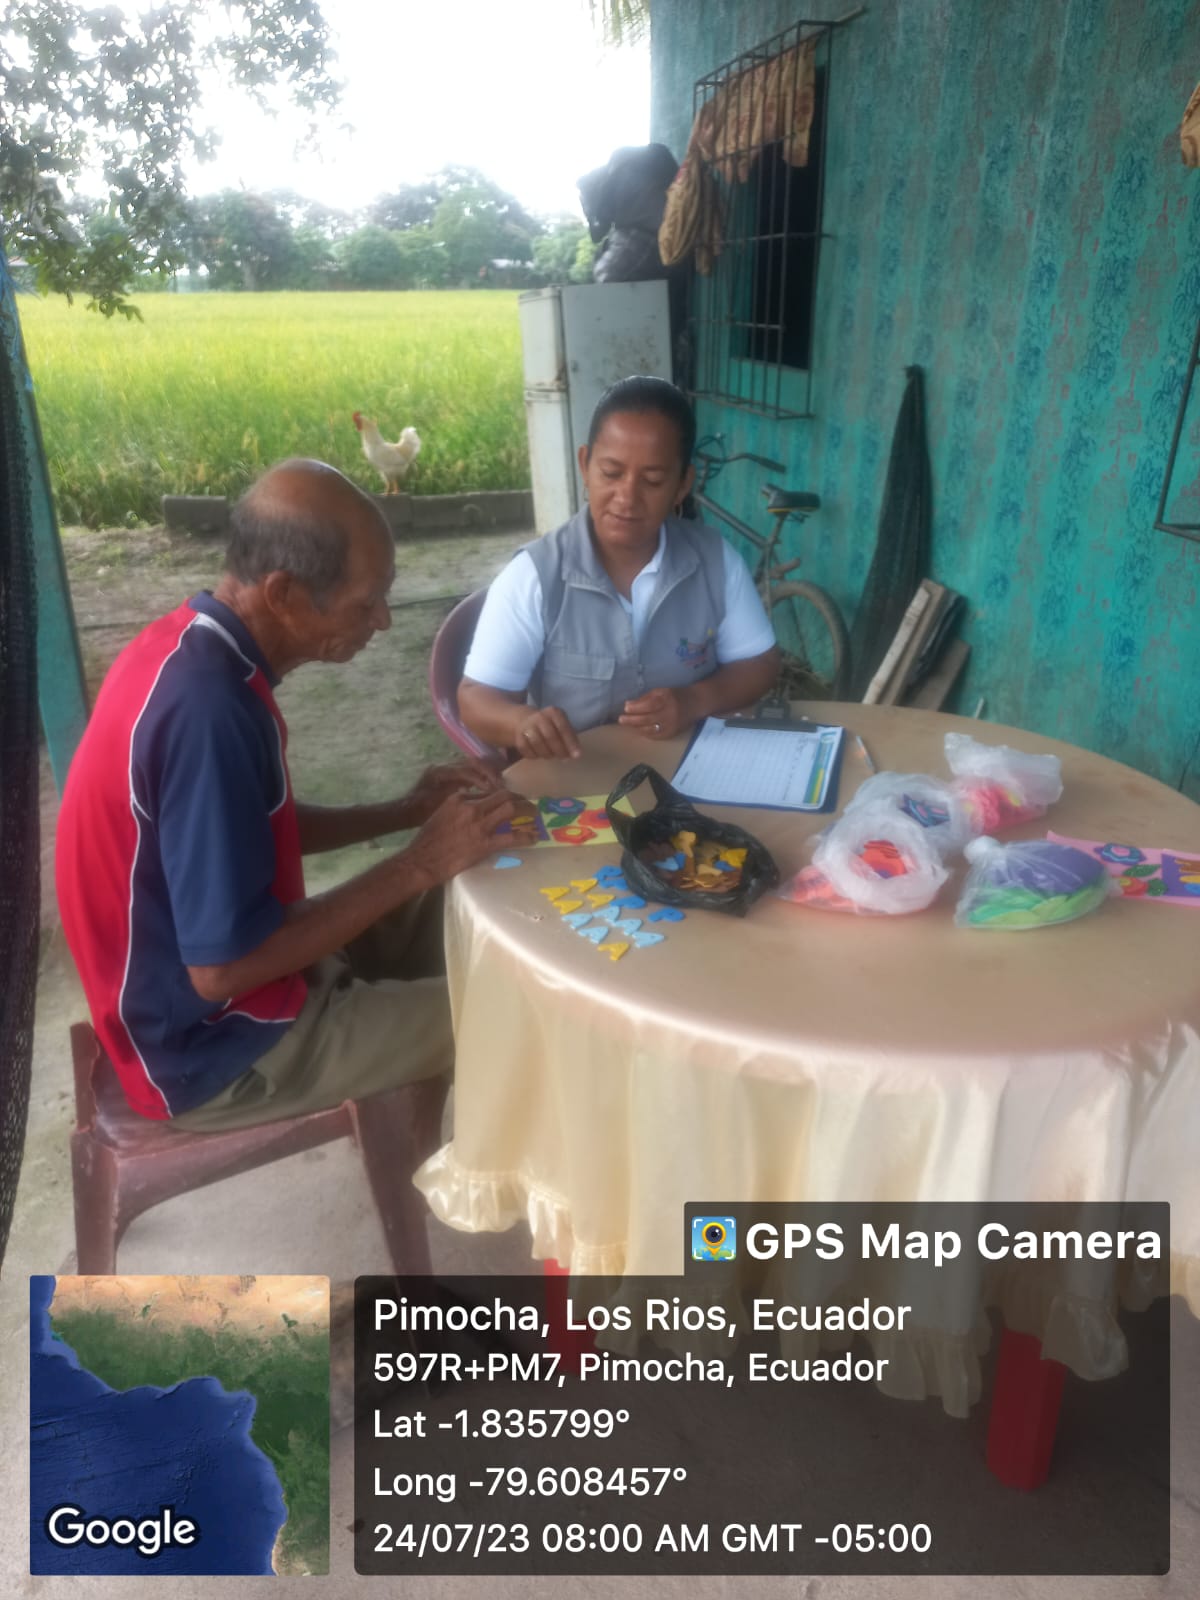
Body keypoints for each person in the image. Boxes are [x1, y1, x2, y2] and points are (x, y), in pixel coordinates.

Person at [55, 459, 515, 1129]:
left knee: (458, 894)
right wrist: (420, 859)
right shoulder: (209, 711)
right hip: (216, 1048)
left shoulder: (191, 649)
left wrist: (404, 812)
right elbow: (221, 971)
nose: (384, 620)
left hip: (250, 984)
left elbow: (238, 827)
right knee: (527, 1012)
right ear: (285, 594)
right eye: (367, 601)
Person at [458, 375, 780, 759]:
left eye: (653, 480)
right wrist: (521, 723)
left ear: (682, 485)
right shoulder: (536, 575)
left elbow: (760, 663)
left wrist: (694, 700)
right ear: (585, 466)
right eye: (611, 473)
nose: (627, 498)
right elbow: (476, 697)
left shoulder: (714, 561)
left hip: (689, 774)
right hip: (578, 780)